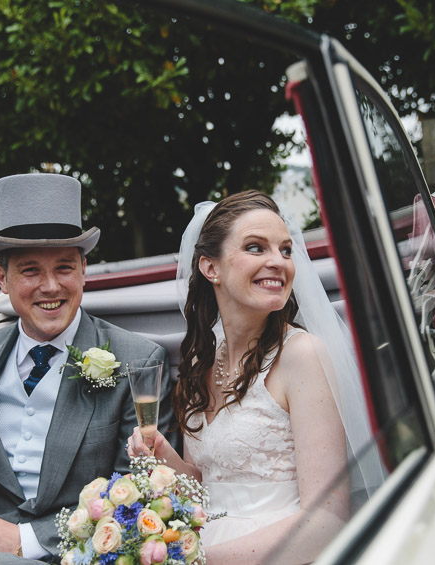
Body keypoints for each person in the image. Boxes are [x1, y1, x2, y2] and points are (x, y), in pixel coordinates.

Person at [127, 191, 381, 564]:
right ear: (210, 268)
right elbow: (208, 488)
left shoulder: (302, 355)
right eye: (256, 248)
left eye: (285, 250)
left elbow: (327, 520)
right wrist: (166, 458)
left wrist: (199, 560)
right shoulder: (202, 358)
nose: (278, 262)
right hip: (203, 541)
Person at [0, 173, 176, 563]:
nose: (50, 286)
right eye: (30, 271)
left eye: (65, 268)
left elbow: (141, 493)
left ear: (84, 271)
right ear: (2, 278)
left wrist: (25, 540)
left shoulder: (139, 360)